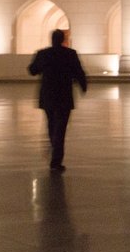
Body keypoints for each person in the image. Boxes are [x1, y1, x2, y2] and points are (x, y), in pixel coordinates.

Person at [29, 28, 87, 171]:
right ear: (63, 40)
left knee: (51, 124)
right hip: (64, 96)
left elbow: (32, 70)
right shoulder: (70, 54)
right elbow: (79, 72)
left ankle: (54, 146)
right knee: (60, 128)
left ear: (52, 39)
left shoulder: (43, 54)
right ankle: (56, 160)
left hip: (48, 96)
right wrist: (83, 85)